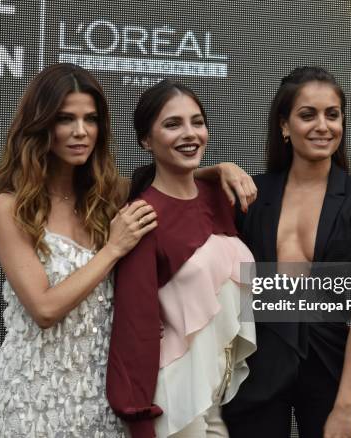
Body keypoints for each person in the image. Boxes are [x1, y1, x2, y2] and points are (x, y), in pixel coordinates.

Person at [0, 63, 255, 437]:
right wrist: (112, 249)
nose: (80, 132)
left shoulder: (111, 195)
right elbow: (43, 308)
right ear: (42, 126)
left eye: (90, 119)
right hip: (32, 396)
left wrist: (221, 169)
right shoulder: (11, 207)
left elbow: (170, 178)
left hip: (101, 398)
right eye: (65, 119)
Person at [222, 66, 351, 438]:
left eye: (332, 114)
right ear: (284, 126)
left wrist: (345, 404)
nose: (323, 125)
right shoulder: (251, 195)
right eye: (308, 115)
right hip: (256, 364)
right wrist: (217, 170)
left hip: (331, 370)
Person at [106, 79, 257, 438]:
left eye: (197, 122)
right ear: (146, 140)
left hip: (218, 397)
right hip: (176, 398)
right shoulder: (142, 217)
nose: (190, 134)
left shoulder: (222, 198)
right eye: (173, 124)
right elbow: (135, 331)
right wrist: (140, 418)